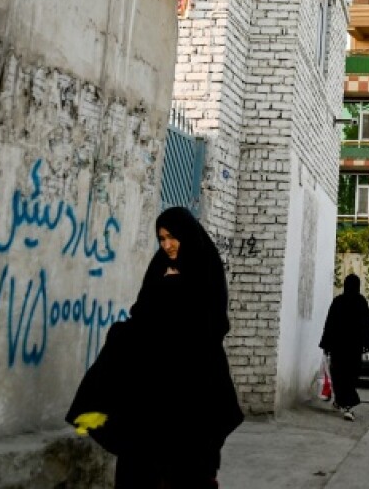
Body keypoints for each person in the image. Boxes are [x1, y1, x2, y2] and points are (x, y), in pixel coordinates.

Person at [66, 206, 244, 488]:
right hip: (153, 379)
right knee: (141, 457)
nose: (167, 245)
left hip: (192, 378)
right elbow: (143, 312)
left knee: (186, 460)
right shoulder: (159, 265)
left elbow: (213, 323)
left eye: (172, 237)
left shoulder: (205, 267)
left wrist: (176, 292)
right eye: (161, 238)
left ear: (186, 235)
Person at [320, 274, 369, 421]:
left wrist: (326, 345)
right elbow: (367, 324)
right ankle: (347, 406)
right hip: (354, 348)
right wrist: (367, 343)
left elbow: (330, 324)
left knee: (339, 375)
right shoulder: (361, 302)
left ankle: (342, 402)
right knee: (350, 376)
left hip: (338, 348)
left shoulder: (338, 301)